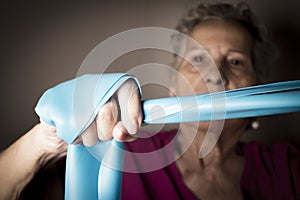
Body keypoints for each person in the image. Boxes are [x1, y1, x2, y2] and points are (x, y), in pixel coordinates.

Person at [0, 1, 299, 200]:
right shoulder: (116, 155)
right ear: (173, 87)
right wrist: (42, 141)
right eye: (197, 59)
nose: (214, 74)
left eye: (235, 62)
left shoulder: (287, 167)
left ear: (259, 93)